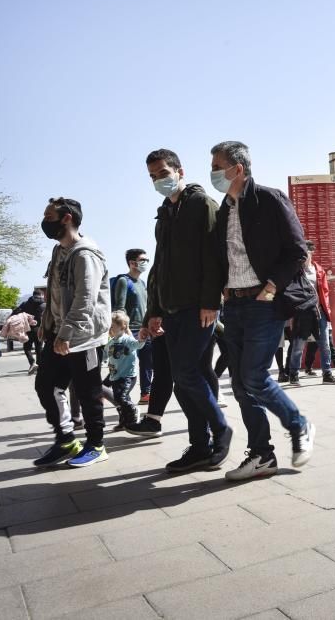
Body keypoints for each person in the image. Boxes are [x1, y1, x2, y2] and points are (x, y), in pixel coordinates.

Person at [211, 140, 314, 481]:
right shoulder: (224, 208)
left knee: (254, 376)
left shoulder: (269, 199)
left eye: (217, 166)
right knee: (240, 385)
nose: (213, 174)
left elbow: (297, 250)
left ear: (237, 169)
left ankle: (299, 425)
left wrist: (271, 287)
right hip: (234, 304)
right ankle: (261, 454)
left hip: (263, 302)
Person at [138, 148, 232, 473]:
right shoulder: (164, 213)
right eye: (152, 176)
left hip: (198, 308)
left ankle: (221, 429)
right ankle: (200, 447)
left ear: (179, 170)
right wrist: (154, 310)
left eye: (163, 173)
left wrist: (210, 302)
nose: (158, 180)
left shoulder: (202, 205)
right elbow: (159, 267)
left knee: (186, 374)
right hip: (172, 310)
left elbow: (215, 257)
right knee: (186, 379)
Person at [32, 197, 111, 467]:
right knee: (46, 385)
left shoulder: (85, 254)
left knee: (88, 391)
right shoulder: (59, 252)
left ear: (66, 218)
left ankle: (96, 445)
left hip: (83, 336)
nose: (44, 221)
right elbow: (53, 291)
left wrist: (66, 334)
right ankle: (66, 439)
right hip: (59, 333)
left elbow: (84, 300)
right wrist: (46, 324)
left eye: (49, 216)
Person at [295, 240, 335, 385]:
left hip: (319, 312)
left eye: (307, 253)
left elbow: (325, 292)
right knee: (299, 345)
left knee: (325, 344)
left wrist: (326, 308)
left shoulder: (319, 270)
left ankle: (327, 373)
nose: (304, 256)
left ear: (311, 253)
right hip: (303, 313)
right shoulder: (296, 270)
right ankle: (293, 373)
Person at [113, 248, 152, 405]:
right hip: (131, 330)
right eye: (143, 260)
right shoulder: (124, 281)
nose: (146, 263)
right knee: (126, 367)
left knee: (147, 363)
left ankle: (145, 394)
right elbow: (119, 307)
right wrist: (125, 331)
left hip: (144, 329)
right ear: (132, 263)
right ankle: (106, 389)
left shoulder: (142, 283)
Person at [105, 311, 142, 430]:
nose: (110, 329)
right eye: (109, 326)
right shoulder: (110, 342)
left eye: (112, 327)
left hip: (127, 376)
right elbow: (104, 355)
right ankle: (124, 420)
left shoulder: (127, 340)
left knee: (122, 397)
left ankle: (133, 410)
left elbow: (138, 345)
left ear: (122, 326)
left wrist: (142, 337)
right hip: (115, 376)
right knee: (119, 398)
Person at [11, 288, 46, 374]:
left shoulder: (25, 304)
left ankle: (32, 362)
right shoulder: (45, 305)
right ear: (42, 295)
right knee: (39, 348)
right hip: (40, 329)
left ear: (33, 294)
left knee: (27, 348)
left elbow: (15, 313)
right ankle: (39, 366)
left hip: (27, 329)